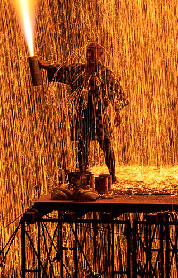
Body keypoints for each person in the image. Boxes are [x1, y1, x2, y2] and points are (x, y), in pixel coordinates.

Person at [39, 42, 129, 183]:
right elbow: (62, 69)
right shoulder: (78, 69)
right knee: (82, 144)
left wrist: (118, 112)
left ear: (100, 54)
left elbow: (116, 91)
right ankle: (83, 172)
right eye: (88, 52)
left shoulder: (105, 73)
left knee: (106, 143)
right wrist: (45, 66)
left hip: (99, 114)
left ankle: (113, 173)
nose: (89, 55)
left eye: (92, 52)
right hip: (82, 113)